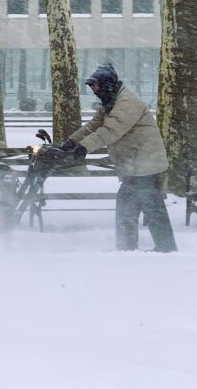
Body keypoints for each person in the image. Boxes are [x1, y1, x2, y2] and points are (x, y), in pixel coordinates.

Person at [61, 63, 177, 252]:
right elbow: (93, 125)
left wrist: (83, 148)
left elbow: (110, 130)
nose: (94, 91)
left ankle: (150, 248)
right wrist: (71, 142)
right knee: (136, 207)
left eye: (95, 87)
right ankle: (133, 247)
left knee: (144, 208)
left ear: (106, 85)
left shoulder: (127, 103)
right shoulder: (111, 103)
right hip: (135, 165)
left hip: (145, 164)